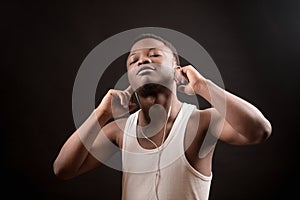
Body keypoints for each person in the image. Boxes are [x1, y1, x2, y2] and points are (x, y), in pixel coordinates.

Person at [53, 33, 272, 200]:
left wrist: (202, 86)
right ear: (129, 75)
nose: (143, 61)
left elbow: (259, 130)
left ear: (177, 70)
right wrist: (101, 113)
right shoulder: (120, 131)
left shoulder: (202, 122)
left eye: (154, 55)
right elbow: (62, 169)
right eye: (133, 60)